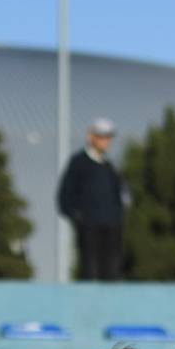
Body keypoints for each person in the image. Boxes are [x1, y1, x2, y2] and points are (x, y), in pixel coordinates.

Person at [57, 118, 124, 282]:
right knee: (89, 267)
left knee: (111, 268)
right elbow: (65, 193)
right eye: (101, 136)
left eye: (108, 137)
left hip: (111, 226)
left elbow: (119, 194)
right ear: (91, 137)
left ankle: (109, 304)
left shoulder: (109, 165)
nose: (105, 141)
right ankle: (88, 305)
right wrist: (76, 216)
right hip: (88, 225)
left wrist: (118, 216)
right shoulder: (79, 162)